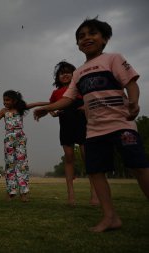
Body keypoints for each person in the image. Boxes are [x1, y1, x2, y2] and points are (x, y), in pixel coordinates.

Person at [34, 18, 149, 232]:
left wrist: (134, 101)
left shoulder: (113, 59)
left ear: (104, 39)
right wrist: (47, 108)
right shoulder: (79, 73)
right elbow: (68, 99)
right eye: (81, 36)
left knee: (139, 167)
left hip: (121, 123)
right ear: (77, 44)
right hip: (94, 130)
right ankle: (110, 217)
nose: (86, 38)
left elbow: (131, 82)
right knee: (95, 171)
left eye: (92, 33)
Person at [49, 61, 99, 206]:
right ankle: (71, 195)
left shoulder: (80, 88)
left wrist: (85, 106)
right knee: (69, 158)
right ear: (57, 77)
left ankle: (94, 194)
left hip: (82, 125)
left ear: (74, 75)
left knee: (87, 157)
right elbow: (51, 107)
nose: (65, 74)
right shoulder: (56, 93)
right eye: (61, 73)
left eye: (68, 72)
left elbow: (92, 100)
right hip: (65, 127)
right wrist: (53, 113)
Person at [0, 90, 48, 202]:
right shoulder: (3, 111)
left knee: (22, 164)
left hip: (20, 138)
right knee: (10, 165)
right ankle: (11, 192)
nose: (5, 102)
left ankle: (24, 193)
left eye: (7, 100)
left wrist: (50, 104)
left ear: (14, 100)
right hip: (8, 138)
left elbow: (36, 104)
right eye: (4, 100)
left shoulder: (20, 109)